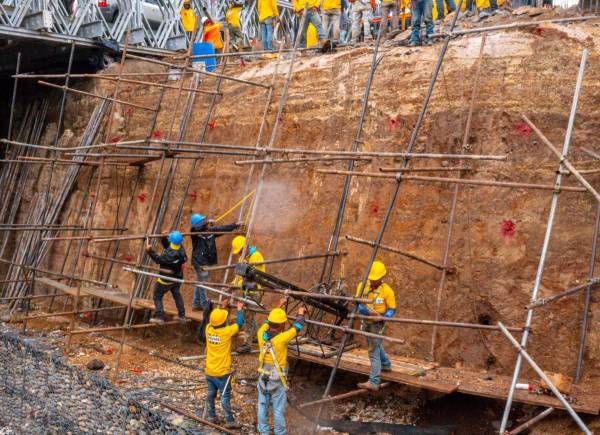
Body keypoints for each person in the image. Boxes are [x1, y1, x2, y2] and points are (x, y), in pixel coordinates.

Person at [257, 302, 306, 435]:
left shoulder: (261, 334)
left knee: (262, 406)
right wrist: (301, 313)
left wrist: (278, 305)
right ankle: (280, 433)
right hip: (276, 378)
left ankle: (263, 432)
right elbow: (298, 326)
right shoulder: (281, 339)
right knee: (278, 409)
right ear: (282, 325)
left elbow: (268, 321)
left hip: (263, 377)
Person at [355, 260, 396, 391]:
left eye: (375, 279)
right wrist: (366, 311)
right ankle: (386, 364)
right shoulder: (362, 286)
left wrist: (383, 317)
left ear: (382, 278)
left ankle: (374, 381)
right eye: (371, 279)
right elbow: (357, 303)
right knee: (375, 345)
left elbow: (392, 309)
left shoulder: (387, 291)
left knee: (373, 350)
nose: (372, 282)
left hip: (378, 324)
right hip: (367, 320)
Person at [204, 297, 244, 428]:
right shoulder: (227, 332)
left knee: (211, 394)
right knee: (225, 396)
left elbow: (216, 319)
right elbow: (239, 323)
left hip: (210, 370)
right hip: (222, 372)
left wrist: (221, 306)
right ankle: (230, 420)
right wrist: (239, 309)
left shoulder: (208, 329)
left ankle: (211, 416)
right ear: (224, 322)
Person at [189, 213, 240, 312]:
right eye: (203, 222)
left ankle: (196, 304)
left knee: (200, 282)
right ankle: (205, 305)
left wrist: (234, 225)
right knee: (203, 283)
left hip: (207, 261)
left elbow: (223, 229)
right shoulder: (195, 234)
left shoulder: (211, 231)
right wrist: (206, 222)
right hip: (199, 262)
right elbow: (194, 229)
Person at [231, 235, 266, 353]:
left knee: (248, 316)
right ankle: (255, 336)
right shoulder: (244, 257)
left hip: (255, 290)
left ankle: (247, 344)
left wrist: (239, 282)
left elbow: (251, 276)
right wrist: (234, 283)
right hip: (247, 289)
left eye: (240, 251)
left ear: (245, 248)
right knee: (249, 314)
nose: (239, 253)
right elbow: (241, 276)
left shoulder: (256, 256)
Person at [145, 231, 188, 324]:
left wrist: (150, 251)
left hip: (166, 279)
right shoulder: (181, 249)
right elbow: (169, 247)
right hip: (177, 278)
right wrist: (164, 238)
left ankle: (160, 317)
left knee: (157, 296)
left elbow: (158, 260)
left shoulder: (168, 255)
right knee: (177, 295)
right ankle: (182, 316)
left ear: (171, 240)